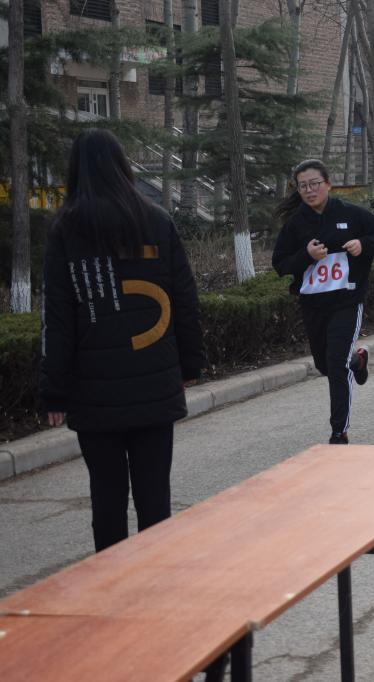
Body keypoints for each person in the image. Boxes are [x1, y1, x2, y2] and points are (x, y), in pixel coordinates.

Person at [39, 128, 205, 553]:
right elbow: (184, 299)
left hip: (94, 393)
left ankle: (111, 581)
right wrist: (190, 366)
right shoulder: (157, 220)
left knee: (106, 496)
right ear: (122, 165)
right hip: (155, 381)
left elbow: (58, 319)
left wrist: (55, 390)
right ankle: (154, 579)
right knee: (155, 495)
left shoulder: (66, 230)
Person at [272, 160, 374, 444]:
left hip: (347, 300)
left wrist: (364, 245)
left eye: (314, 184)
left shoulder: (351, 214)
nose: (309, 190)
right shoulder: (295, 225)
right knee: (325, 365)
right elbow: (280, 264)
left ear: (328, 184)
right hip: (313, 304)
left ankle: (339, 432)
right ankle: (357, 361)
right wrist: (306, 256)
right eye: (303, 186)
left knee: (336, 365)